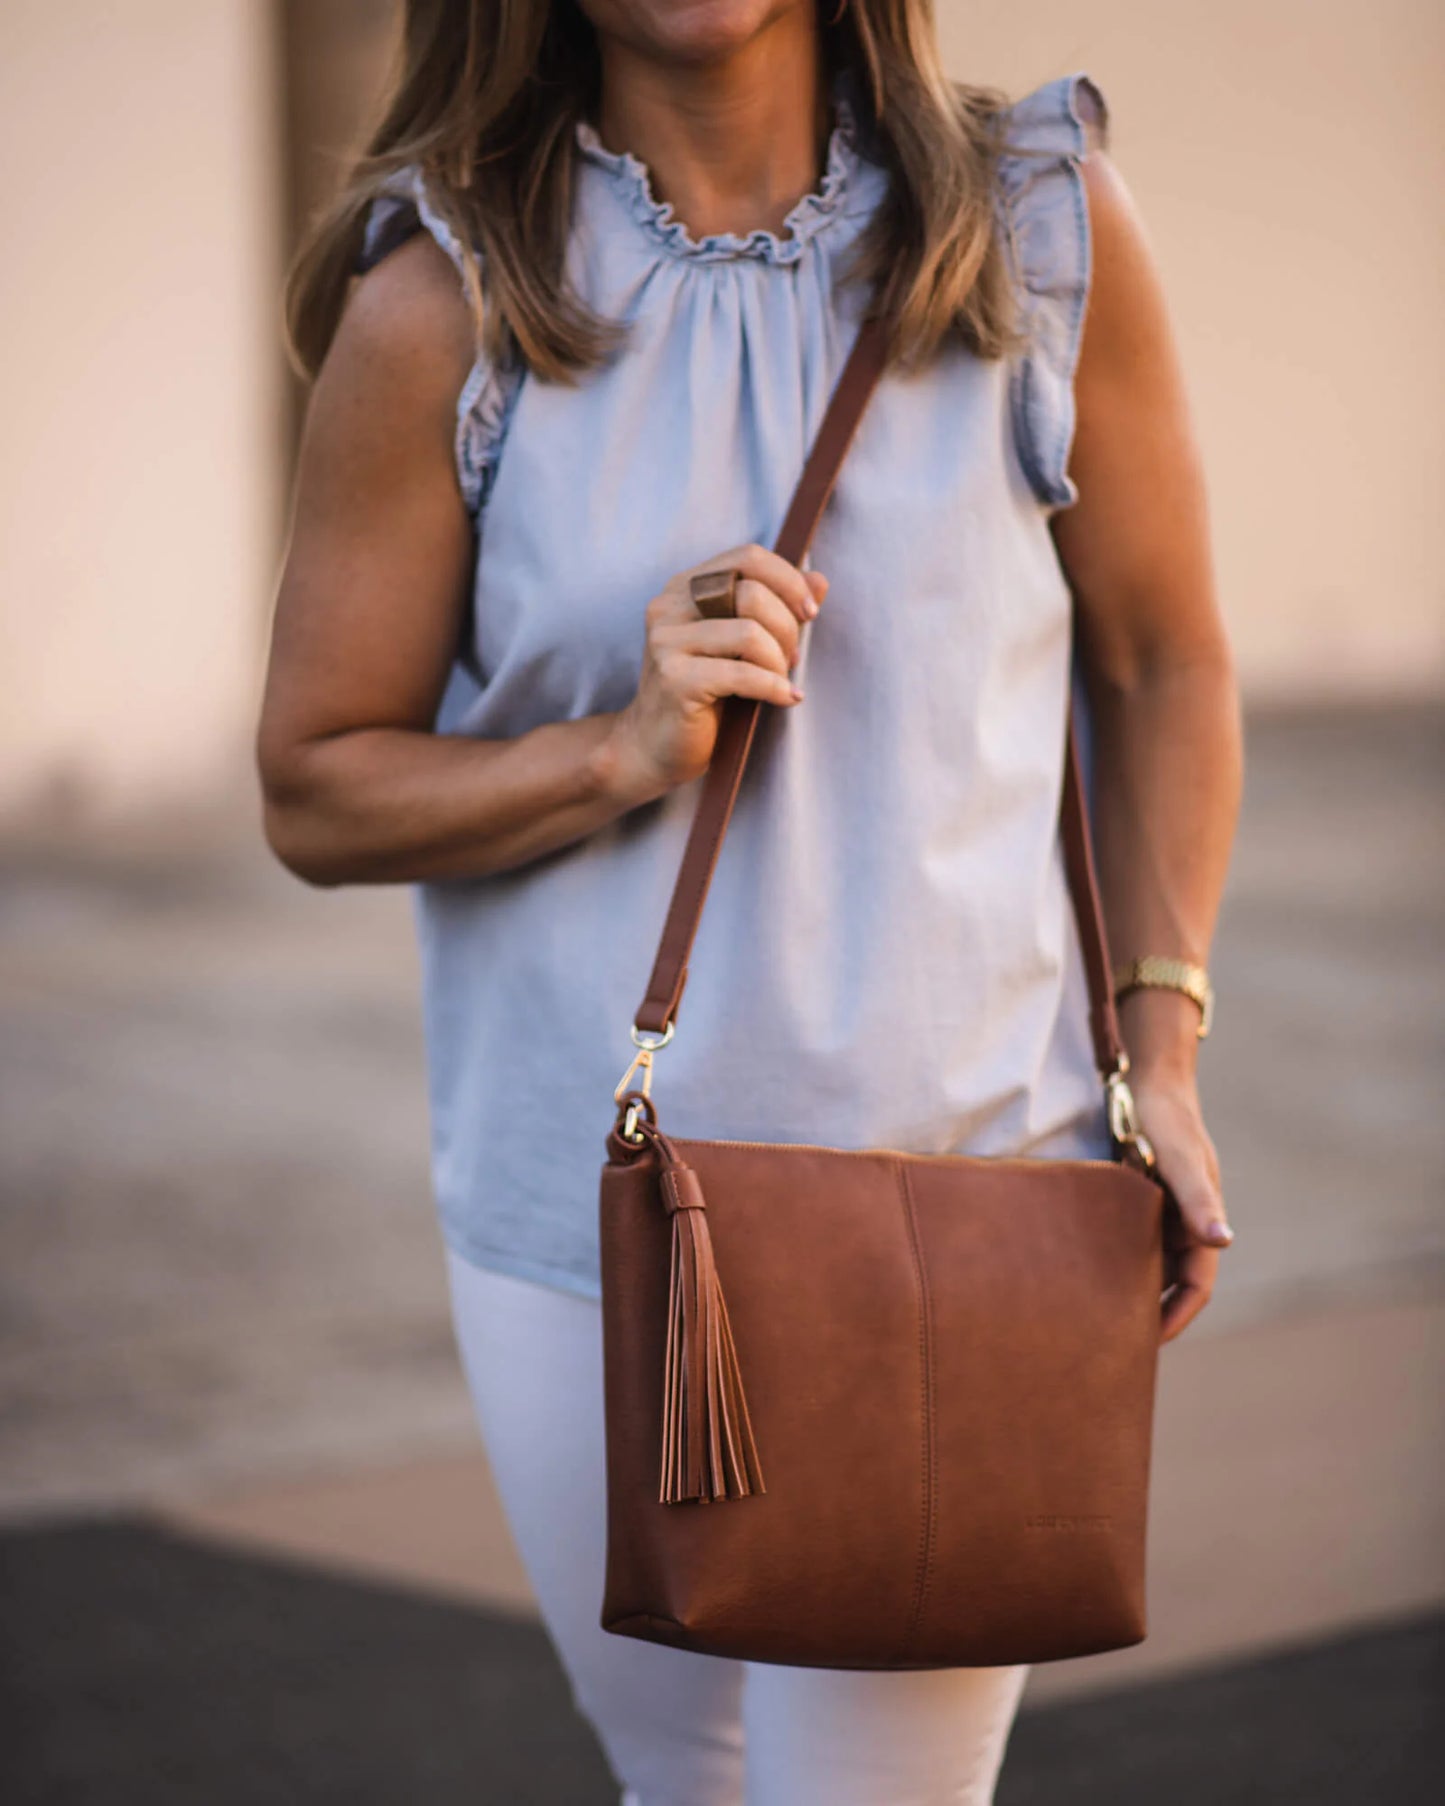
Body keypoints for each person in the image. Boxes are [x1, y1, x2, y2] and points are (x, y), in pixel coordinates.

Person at [256, 1, 1242, 1799]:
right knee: (679, 1780)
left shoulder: (1039, 234)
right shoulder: (449, 305)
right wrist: (612, 750)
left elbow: (1164, 660)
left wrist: (1156, 1046)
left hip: (971, 1198)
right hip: (602, 1225)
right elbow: (315, 783)